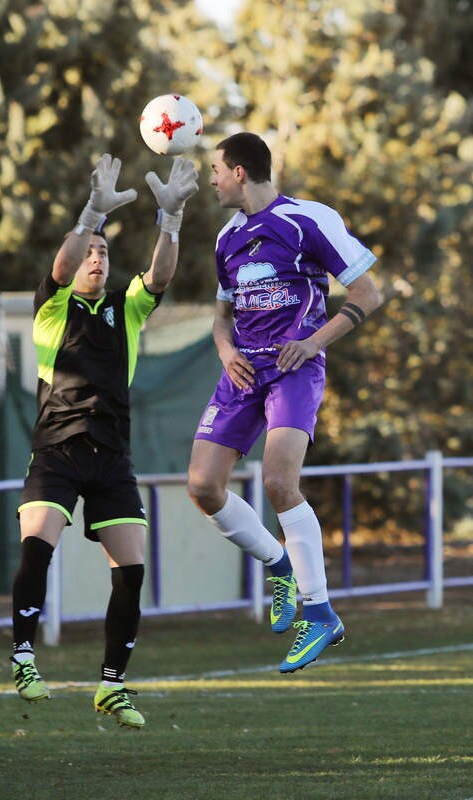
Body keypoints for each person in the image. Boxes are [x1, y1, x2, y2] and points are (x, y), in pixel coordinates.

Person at [10, 153, 198, 727]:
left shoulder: (127, 308)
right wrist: (91, 213)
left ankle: (112, 685)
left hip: (112, 454)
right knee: (37, 547)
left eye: (105, 250)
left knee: (132, 571)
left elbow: (161, 276)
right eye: (91, 249)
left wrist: (171, 219)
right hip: (58, 451)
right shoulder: (53, 306)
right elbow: (62, 265)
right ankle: (23, 656)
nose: (97, 256)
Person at [187, 132, 383, 673]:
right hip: (242, 371)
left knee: (278, 482)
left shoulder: (309, 219)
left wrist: (312, 342)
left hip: (295, 369)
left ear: (241, 172)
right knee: (203, 486)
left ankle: (319, 612)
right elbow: (221, 318)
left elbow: (369, 293)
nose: (212, 180)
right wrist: (225, 350)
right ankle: (277, 562)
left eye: (217, 171)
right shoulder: (227, 238)